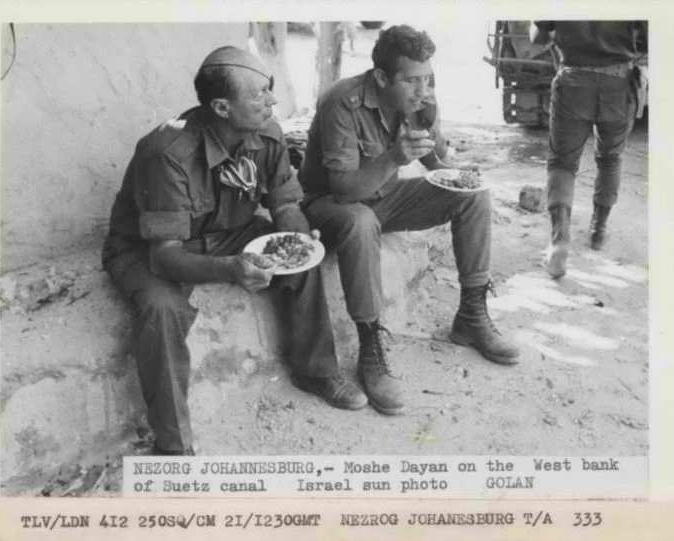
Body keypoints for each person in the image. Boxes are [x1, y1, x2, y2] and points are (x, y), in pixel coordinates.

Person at [102, 46, 367, 456]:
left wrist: (297, 243)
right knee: (161, 309)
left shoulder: (268, 134)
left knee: (298, 254)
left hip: (228, 229)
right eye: (260, 93)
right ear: (222, 107)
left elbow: (284, 205)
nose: (272, 101)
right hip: (150, 247)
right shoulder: (168, 154)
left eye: (270, 90)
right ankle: (174, 445)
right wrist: (231, 269)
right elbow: (165, 257)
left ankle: (315, 371)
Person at [298, 25, 520, 417]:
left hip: (386, 198)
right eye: (413, 81)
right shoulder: (341, 103)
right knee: (362, 221)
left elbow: (436, 163)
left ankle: (471, 315)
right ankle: (371, 350)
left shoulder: (420, 100)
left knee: (472, 194)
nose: (423, 90)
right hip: (331, 205)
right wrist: (394, 159)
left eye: (428, 79)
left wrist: (456, 166)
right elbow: (346, 190)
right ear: (382, 78)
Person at [530, 21, 648, 278]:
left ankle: (559, 241)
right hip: (618, 82)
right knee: (610, 159)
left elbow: (538, 37)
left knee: (562, 163)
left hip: (573, 80)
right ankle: (598, 230)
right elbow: (648, 38)